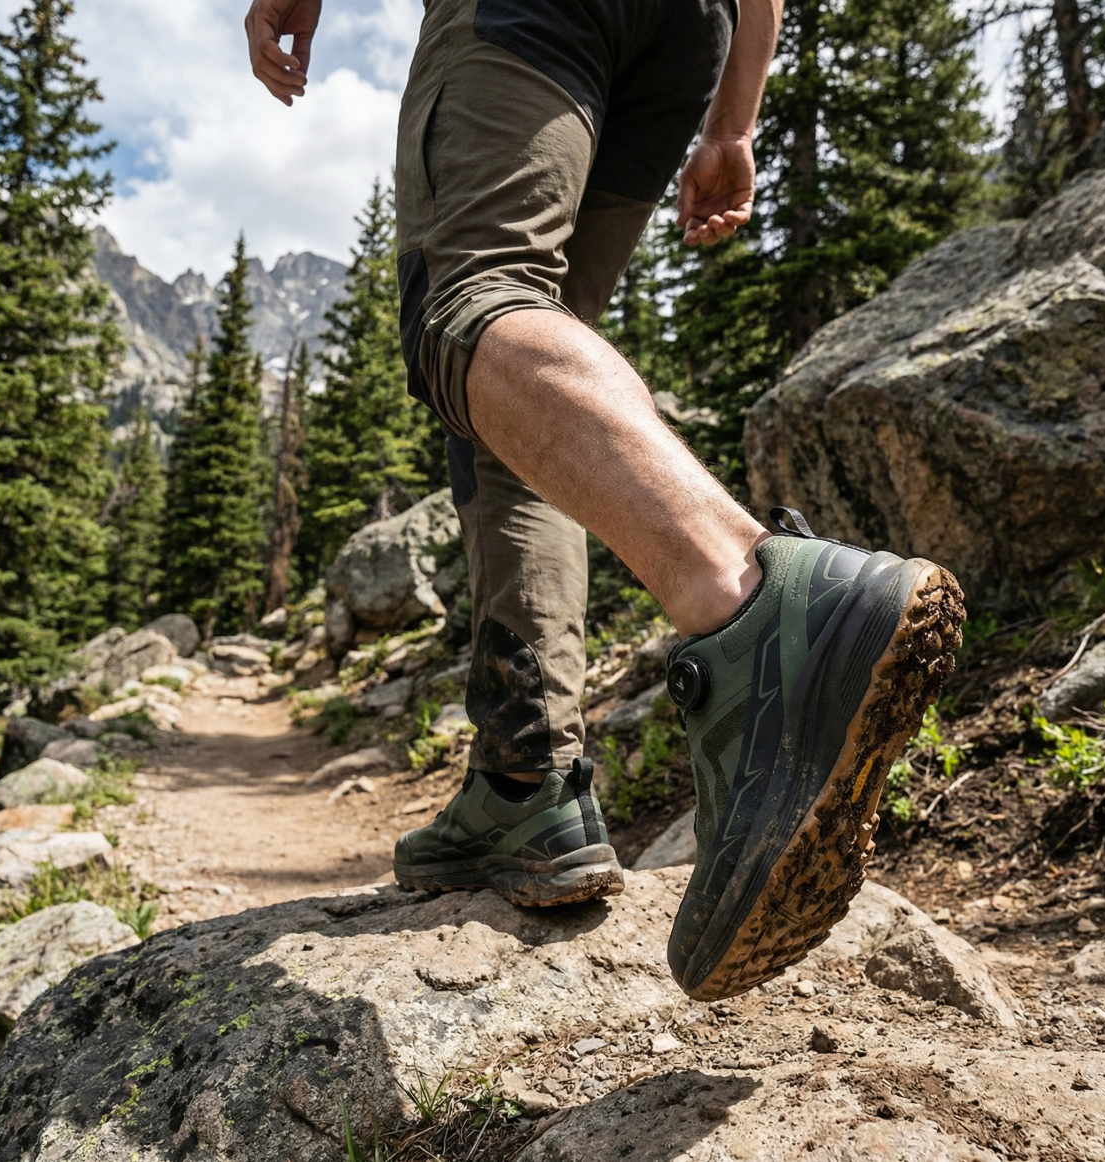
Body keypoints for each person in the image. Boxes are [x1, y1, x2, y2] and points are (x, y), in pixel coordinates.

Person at [244, 0, 965, 1001]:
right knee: (521, 389)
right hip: (685, 33)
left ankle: (752, 597)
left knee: (467, 305)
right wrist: (732, 125)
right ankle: (522, 778)